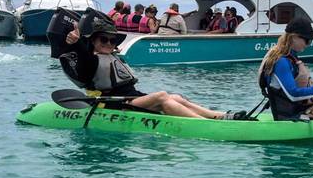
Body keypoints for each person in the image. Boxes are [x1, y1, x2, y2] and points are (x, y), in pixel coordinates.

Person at [62, 18, 246, 119]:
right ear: (93, 41)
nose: (109, 43)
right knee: (162, 96)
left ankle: (219, 116)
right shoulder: (91, 61)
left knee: (175, 97)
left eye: (111, 40)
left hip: (132, 98)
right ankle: (205, 124)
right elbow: (84, 59)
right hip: (114, 103)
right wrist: (77, 43)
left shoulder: (110, 56)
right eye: (103, 40)